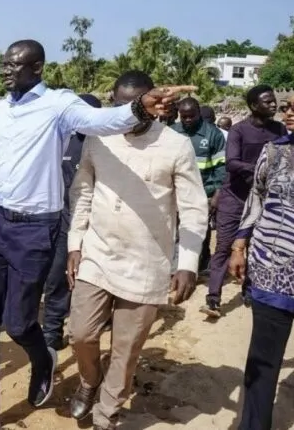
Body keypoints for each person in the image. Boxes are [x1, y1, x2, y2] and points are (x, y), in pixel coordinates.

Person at [0, 39, 195, 430]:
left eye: (15, 65)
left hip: (34, 230)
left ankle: (43, 357)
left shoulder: (59, 104)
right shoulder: (5, 110)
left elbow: (100, 123)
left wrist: (138, 107)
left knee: (20, 323)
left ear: (37, 68)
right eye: (4, 63)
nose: (6, 70)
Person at [66, 71, 208, 430]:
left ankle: (107, 413)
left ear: (156, 103)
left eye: (136, 103)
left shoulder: (176, 146)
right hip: (97, 254)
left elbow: (193, 207)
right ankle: (89, 381)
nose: (128, 111)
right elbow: (82, 192)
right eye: (119, 105)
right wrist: (74, 243)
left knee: (126, 349)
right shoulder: (100, 139)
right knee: (80, 334)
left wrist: (188, 262)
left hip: (147, 263)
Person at [229, 94, 294, 430]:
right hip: (272, 272)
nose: (289, 111)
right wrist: (239, 246)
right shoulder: (276, 151)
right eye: (288, 107)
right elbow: (255, 199)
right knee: (263, 363)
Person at [204, 85, 286, 318]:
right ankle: (213, 298)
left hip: (263, 200)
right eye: (267, 101)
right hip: (235, 197)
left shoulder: (279, 129)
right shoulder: (239, 130)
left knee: (256, 247)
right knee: (224, 246)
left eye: (273, 101)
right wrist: (259, 170)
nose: (273, 104)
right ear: (253, 106)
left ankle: (248, 289)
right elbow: (232, 163)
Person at [40, 92, 102, 352]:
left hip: (96, 222)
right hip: (63, 219)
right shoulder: (63, 141)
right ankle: (53, 330)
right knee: (57, 276)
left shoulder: (103, 145)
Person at [172, 98, 226, 274]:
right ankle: (176, 266)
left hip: (203, 191)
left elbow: (221, 167)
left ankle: (200, 265)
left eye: (191, 116)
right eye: (183, 116)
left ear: (198, 114)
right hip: (176, 191)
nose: (187, 120)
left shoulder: (213, 134)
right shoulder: (172, 132)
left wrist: (217, 195)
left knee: (200, 229)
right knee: (175, 229)